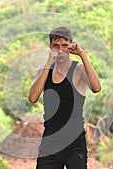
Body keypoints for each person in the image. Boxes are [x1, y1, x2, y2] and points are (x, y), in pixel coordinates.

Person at [28, 26, 101, 169]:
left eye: (64, 46)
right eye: (56, 46)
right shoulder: (44, 71)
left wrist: (82, 54)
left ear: (71, 46)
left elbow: (96, 87)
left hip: (74, 141)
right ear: (50, 47)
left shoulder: (79, 69)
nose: (60, 50)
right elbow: (32, 97)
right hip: (50, 141)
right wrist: (49, 64)